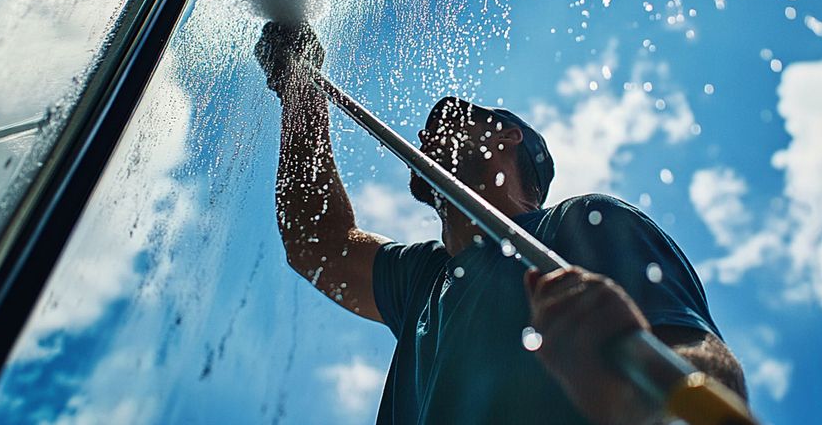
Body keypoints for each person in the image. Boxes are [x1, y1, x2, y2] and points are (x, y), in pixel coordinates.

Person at [254, 22, 747, 425]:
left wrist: (636, 406)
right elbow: (316, 243)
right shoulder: (423, 279)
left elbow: (700, 358)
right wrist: (300, 94)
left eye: (455, 118)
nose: (430, 132)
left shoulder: (584, 224)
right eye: (430, 127)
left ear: (509, 136)